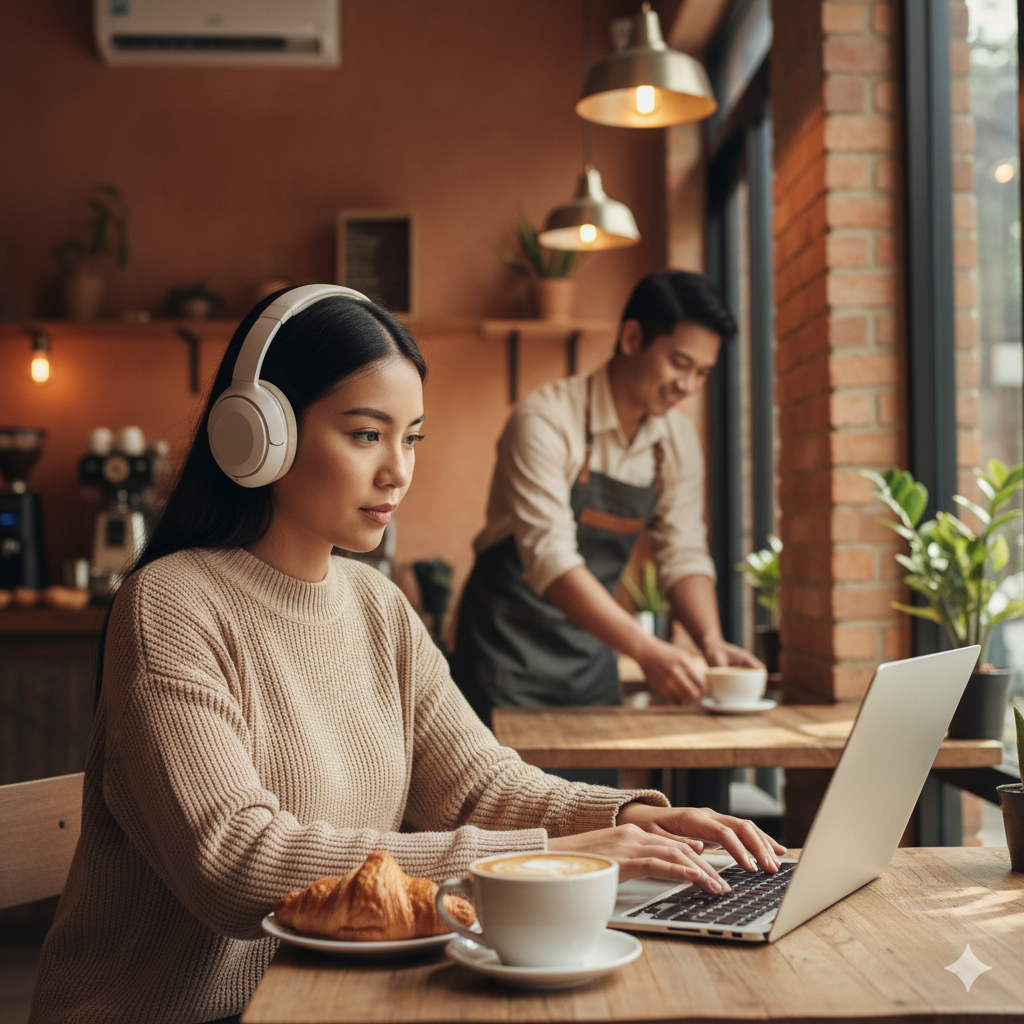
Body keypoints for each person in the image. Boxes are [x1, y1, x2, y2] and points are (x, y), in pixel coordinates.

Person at [30, 286, 785, 1024]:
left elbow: (479, 786)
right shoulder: (171, 603)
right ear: (263, 432)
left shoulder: (378, 605)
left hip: (333, 1000)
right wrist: (543, 857)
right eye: (366, 434)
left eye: (411, 437)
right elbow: (238, 865)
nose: (398, 470)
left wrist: (634, 818)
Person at [451, 271, 762, 740]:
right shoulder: (546, 420)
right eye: (680, 363)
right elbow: (551, 558)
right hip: (505, 654)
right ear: (632, 337)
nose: (689, 385)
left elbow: (683, 553)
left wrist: (711, 642)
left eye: (702, 372)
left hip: (591, 656)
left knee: (603, 805)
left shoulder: (676, 443)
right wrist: (644, 648)